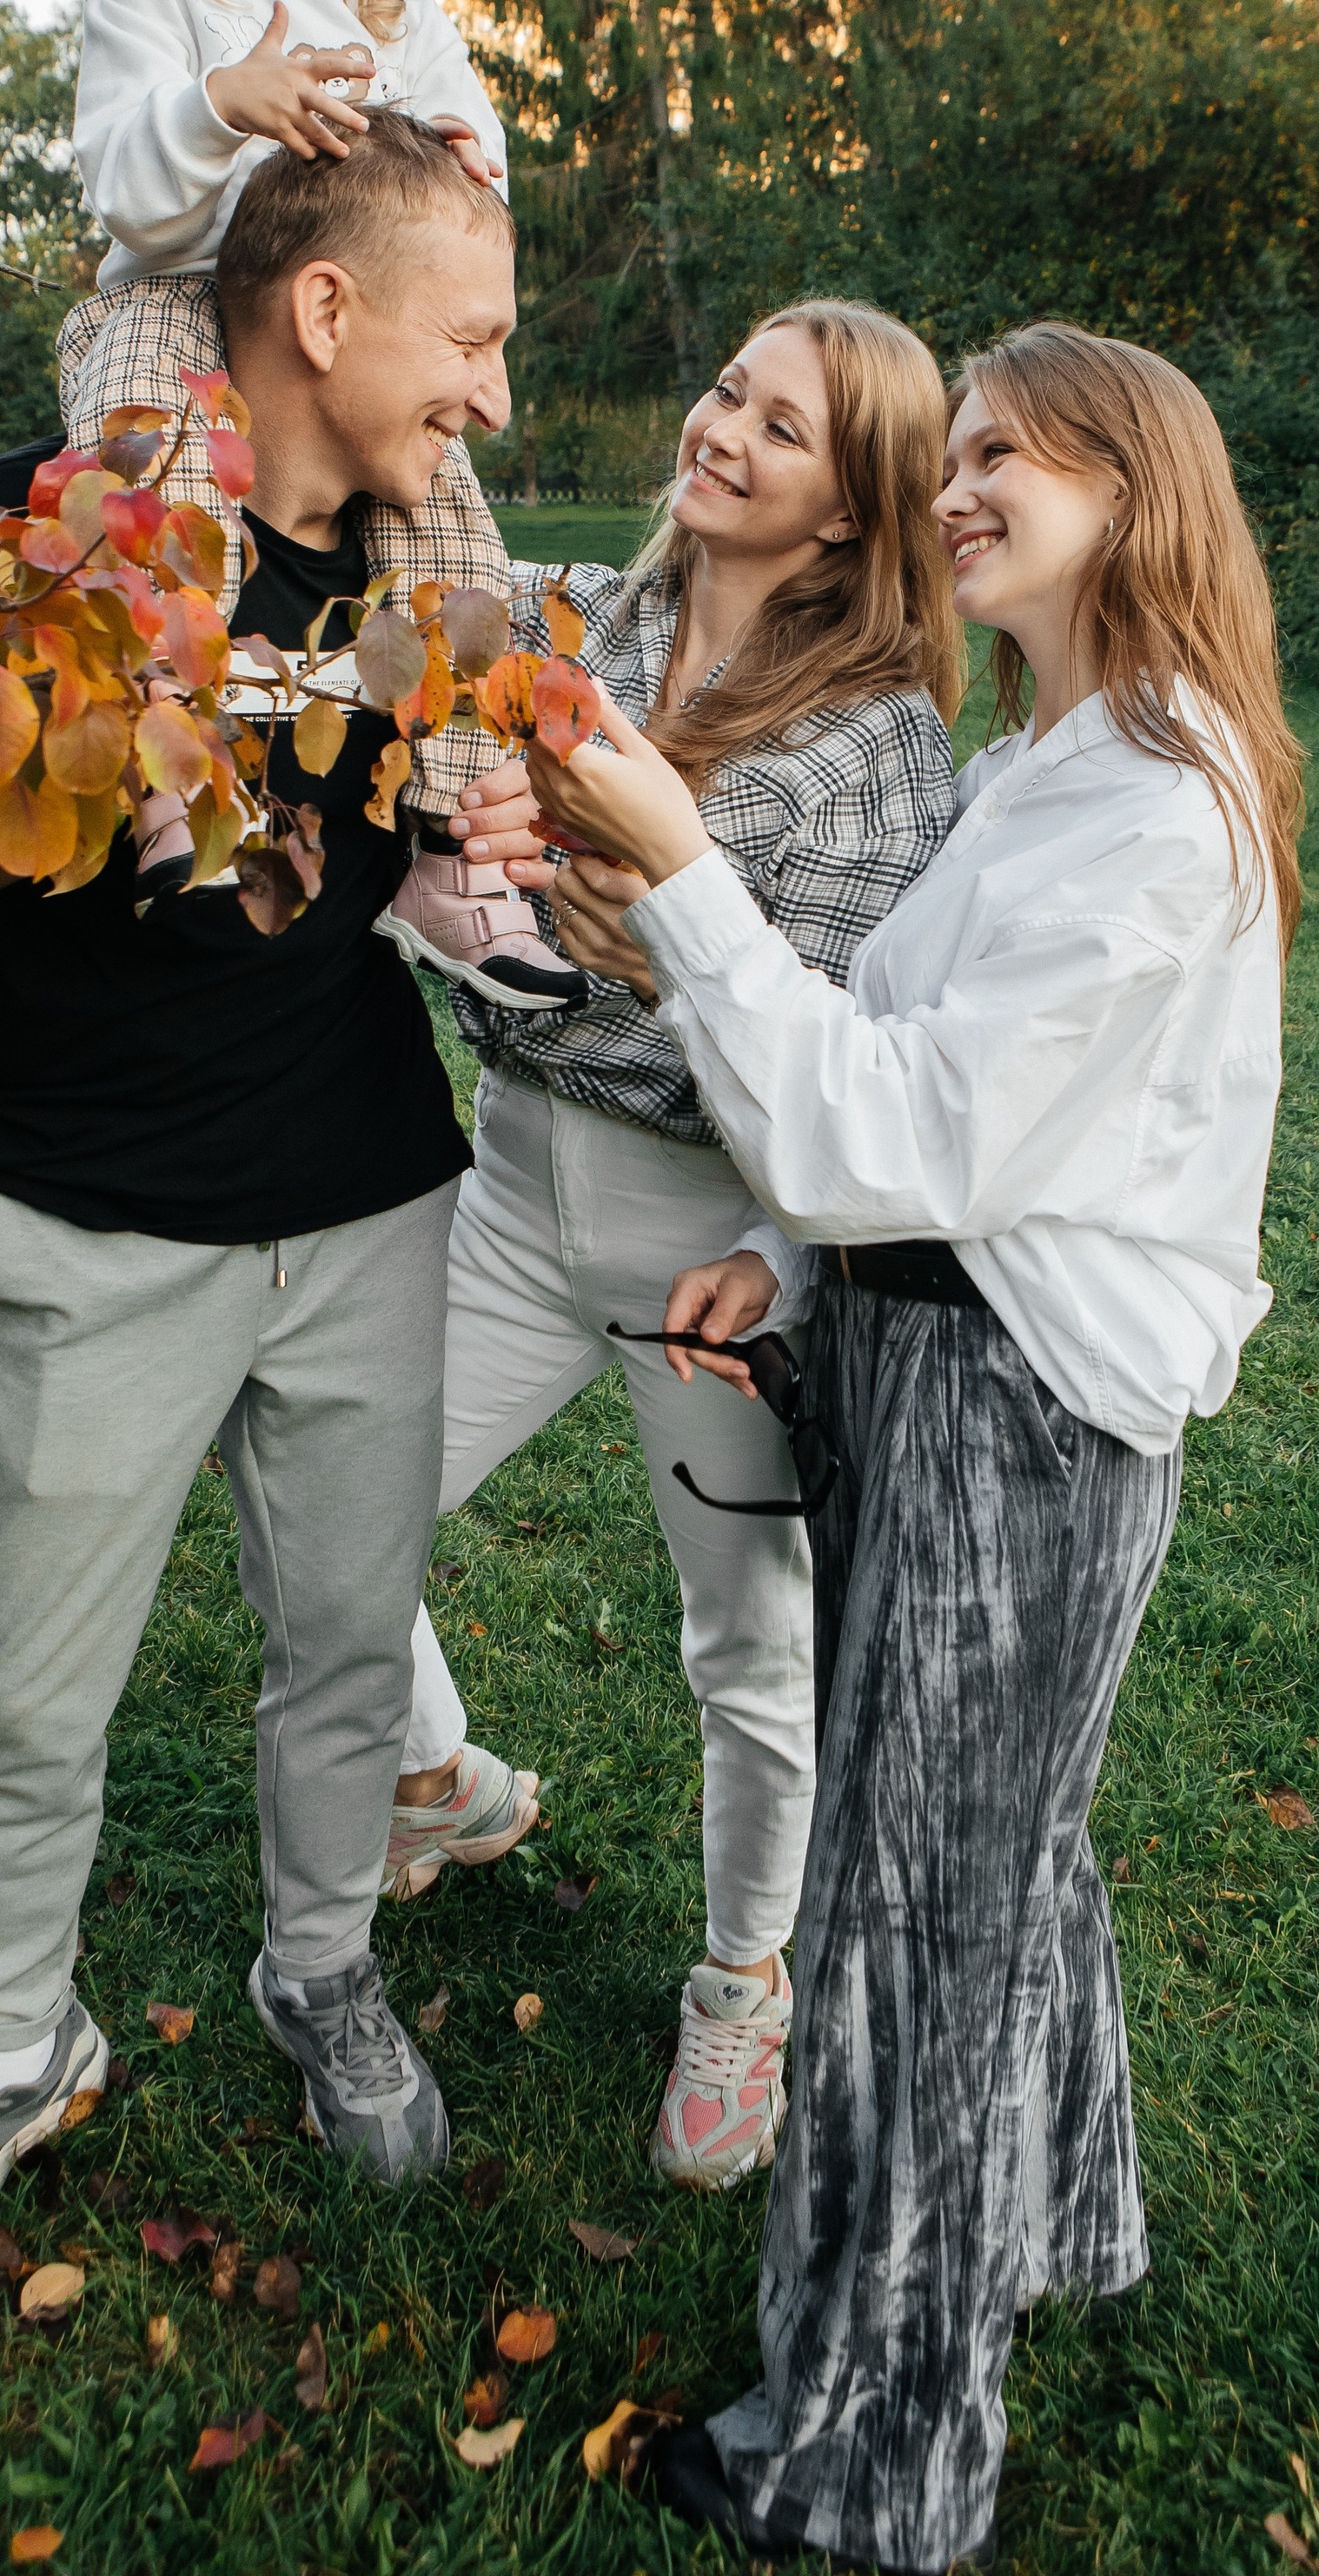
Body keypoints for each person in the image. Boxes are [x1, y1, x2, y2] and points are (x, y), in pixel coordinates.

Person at [520, 321, 1302, 2573]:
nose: (964, 484)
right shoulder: (1056, 757)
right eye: (955, 452)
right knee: (1005, 1866)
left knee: (909, 1937)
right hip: (913, 1356)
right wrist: (776, 1252)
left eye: (1018, 455)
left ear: (1138, 487)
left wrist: (674, 872)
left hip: (1026, 1416)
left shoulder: (1159, 809)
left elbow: (907, 1126)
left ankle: (866, 2467)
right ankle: (1060, 2226)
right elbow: (879, 1048)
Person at [0, 118, 555, 2284]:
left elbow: (437, 848)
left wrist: (454, 845)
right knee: (24, 1699)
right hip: (88, 1212)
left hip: (362, 1202)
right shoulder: (29, 536)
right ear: (322, 312)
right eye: (474, 341)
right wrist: (30, 770)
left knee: (344, 1653)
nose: (494, 400)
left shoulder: (419, 592)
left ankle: (322, 1973)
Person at [382, 302, 963, 2196]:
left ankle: (740, 1985)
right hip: (507, 1173)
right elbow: (416, 725)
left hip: (713, 1224)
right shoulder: (587, 624)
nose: (718, 433)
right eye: (722, 390)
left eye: (775, 430)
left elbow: (834, 1040)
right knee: (322, 1506)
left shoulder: (873, 750)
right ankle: (442, 1780)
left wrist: (579, 951)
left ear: (849, 507)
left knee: (747, 1641)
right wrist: (438, 855)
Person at [63, 0, 576, 1009]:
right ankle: (181, 774)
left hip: (339, 334)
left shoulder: (397, 1)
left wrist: (449, 164)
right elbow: (120, 181)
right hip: (177, 310)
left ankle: (451, 850)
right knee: (170, 505)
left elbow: (470, 174)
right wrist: (224, 103)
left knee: (458, 545)